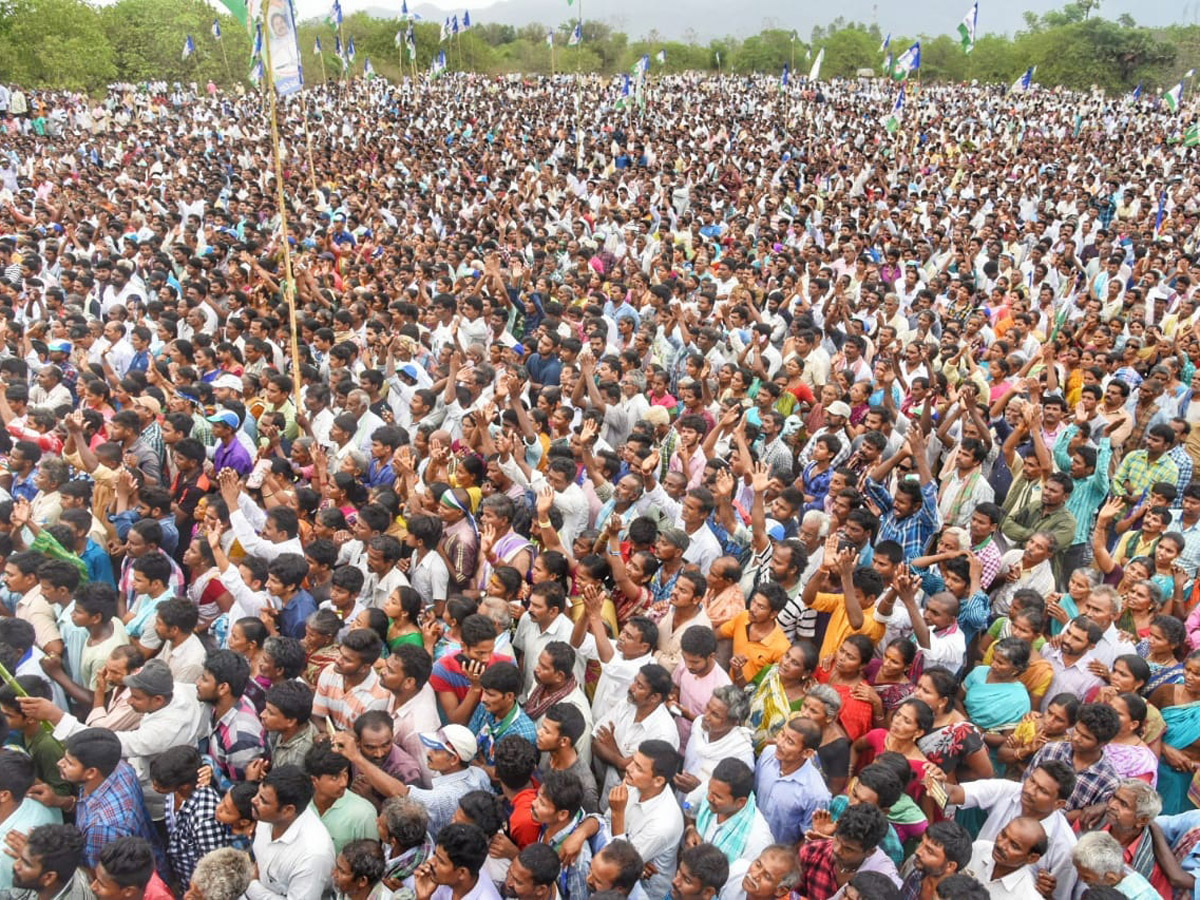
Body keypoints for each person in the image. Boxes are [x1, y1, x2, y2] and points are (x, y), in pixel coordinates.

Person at [606, 740, 685, 900]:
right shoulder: (634, 782)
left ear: (658, 781)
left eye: (638, 768)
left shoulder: (664, 824)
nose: (628, 768)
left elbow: (619, 865)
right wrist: (637, 864)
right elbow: (604, 824)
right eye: (633, 761)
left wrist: (618, 814)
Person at [246, 765, 336, 900]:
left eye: (263, 800)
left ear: (287, 810)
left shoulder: (313, 854)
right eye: (258, 793)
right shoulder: (266, 816)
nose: (254, 800)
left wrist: (252, 885)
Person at [795, 803, 900, 900]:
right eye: (837, 839)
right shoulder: (812, 852)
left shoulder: (883, 877)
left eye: (848, 849)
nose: (837, 850)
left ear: (870, 851)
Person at [413, 823, 501, 900]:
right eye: (434, 854)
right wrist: (423, 898)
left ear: (462, 873)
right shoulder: (448, 877)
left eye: (440, 861)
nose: (431, 862)